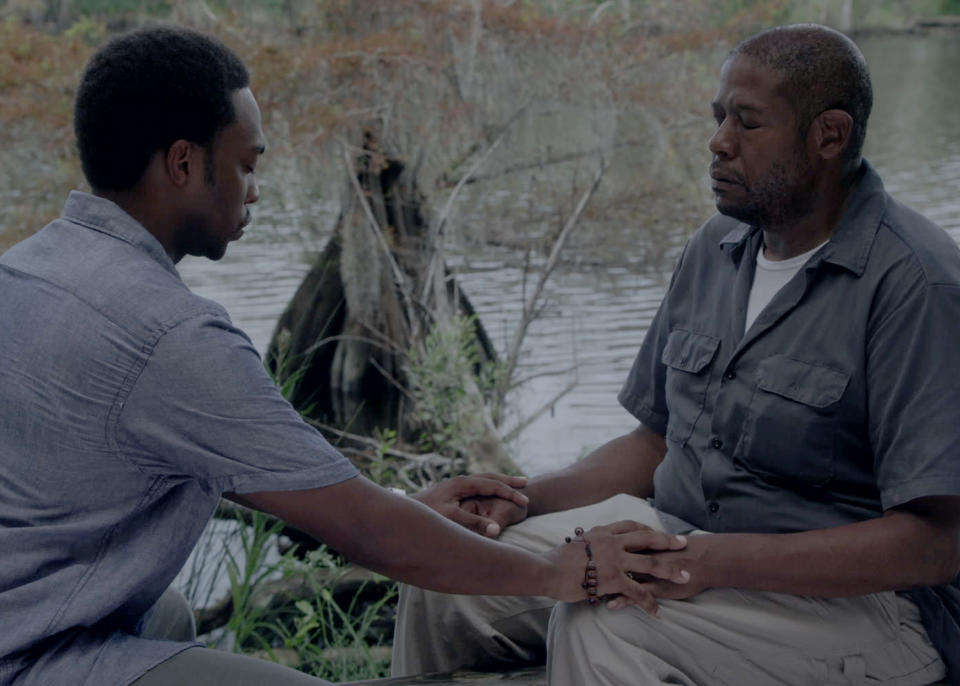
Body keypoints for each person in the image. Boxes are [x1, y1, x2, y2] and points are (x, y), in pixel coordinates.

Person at [0, 26, 692, 686]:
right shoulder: (169, 335)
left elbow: (298, 488)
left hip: (42, 611)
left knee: (171, 616)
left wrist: (402, 506)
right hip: (32, 651)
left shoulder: (27, 269)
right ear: (183, 163)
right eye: (245, 165)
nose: (256, 191)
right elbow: (363, 530)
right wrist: (558, 573)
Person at [393, 23, 960, 685]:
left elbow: (935, 543)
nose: (718, 143)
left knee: (612, 622)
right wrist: (525, 500)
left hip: (869, 609)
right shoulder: (716, 248)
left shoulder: (916, 286)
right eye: (719, 117)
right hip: (676, 534)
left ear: (828, 136)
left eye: (747, 123)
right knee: (449, 571)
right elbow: (656, 443)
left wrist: (706, 561)